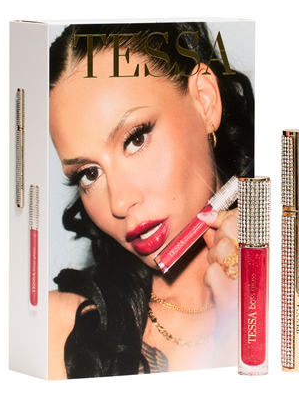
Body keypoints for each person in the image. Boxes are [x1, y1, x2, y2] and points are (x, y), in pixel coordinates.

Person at [48, 22, 254, 379]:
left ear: (205, 101)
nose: (119, 203)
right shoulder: (60, 333)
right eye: (89, 173)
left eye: (136, 139)